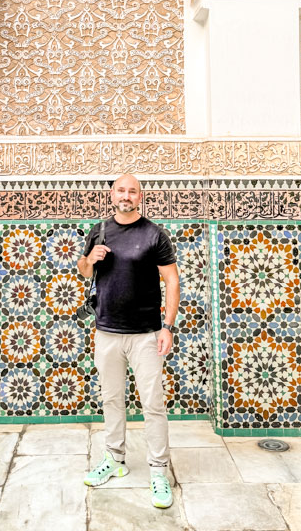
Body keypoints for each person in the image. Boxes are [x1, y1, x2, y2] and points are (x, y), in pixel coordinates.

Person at [77, 174, 180, 509]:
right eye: (120, 190)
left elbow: (172, 281)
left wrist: (167, 326)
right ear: (112, 195)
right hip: (106, 331)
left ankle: (159, 470)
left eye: (131, 191)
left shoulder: (154, 234)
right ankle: (115, 459)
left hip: (146, 334)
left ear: (140, 196)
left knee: (152, 404)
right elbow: (83, 270)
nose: (126, 195)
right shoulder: (100, 231)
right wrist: (90, 259)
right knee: (111, 399)